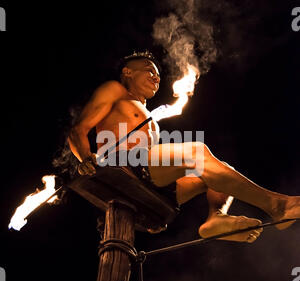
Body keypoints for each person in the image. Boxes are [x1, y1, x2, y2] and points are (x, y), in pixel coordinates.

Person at [68, 51, 300, 241]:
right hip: (122, 163)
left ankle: (216, 217)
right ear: (128, 72)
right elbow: (78, 130)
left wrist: (150, 211)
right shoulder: (115, 90)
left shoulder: (147, 114)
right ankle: (277, 205)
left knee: (217, 171)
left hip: (149, 179)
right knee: (196, 153)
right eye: (150, 70)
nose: (156, 78)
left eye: (158, 75)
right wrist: (85, 159)